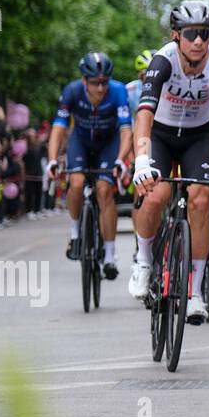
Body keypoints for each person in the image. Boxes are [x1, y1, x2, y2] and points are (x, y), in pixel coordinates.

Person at [131, 1, 209, 324]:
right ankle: (143, 260)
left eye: (205, 34)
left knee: (201, 198)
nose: (199, 41)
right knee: (157, 194)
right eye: (192, 34)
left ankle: (194, 289)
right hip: (162, 136)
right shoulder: (162, 61)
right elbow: (144, 113)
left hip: (198, 137)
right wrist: (141, 158)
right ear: (176, 35)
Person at [46, 52, 132, 278]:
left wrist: (120, 159)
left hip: (108, 144)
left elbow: (126, 130)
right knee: (76, 181)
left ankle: (111, 255)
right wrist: (53, 159)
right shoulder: (72, 91)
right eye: (95, 83)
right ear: (85, 81)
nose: (101, 88)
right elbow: (58, 128)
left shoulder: (118, 91)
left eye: (104, 82)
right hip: (81, 143)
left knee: (104, 191)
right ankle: (75, 234)